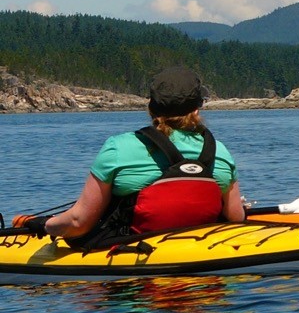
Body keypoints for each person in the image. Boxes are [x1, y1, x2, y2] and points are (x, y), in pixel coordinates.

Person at [14, 67, 245, 243]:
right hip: (204, 277)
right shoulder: (220, 152)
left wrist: (45, 224)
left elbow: (78, 222)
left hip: (135, 288)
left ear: (151, 108)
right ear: (197, 108)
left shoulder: (118, 148)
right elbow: (236, 218)